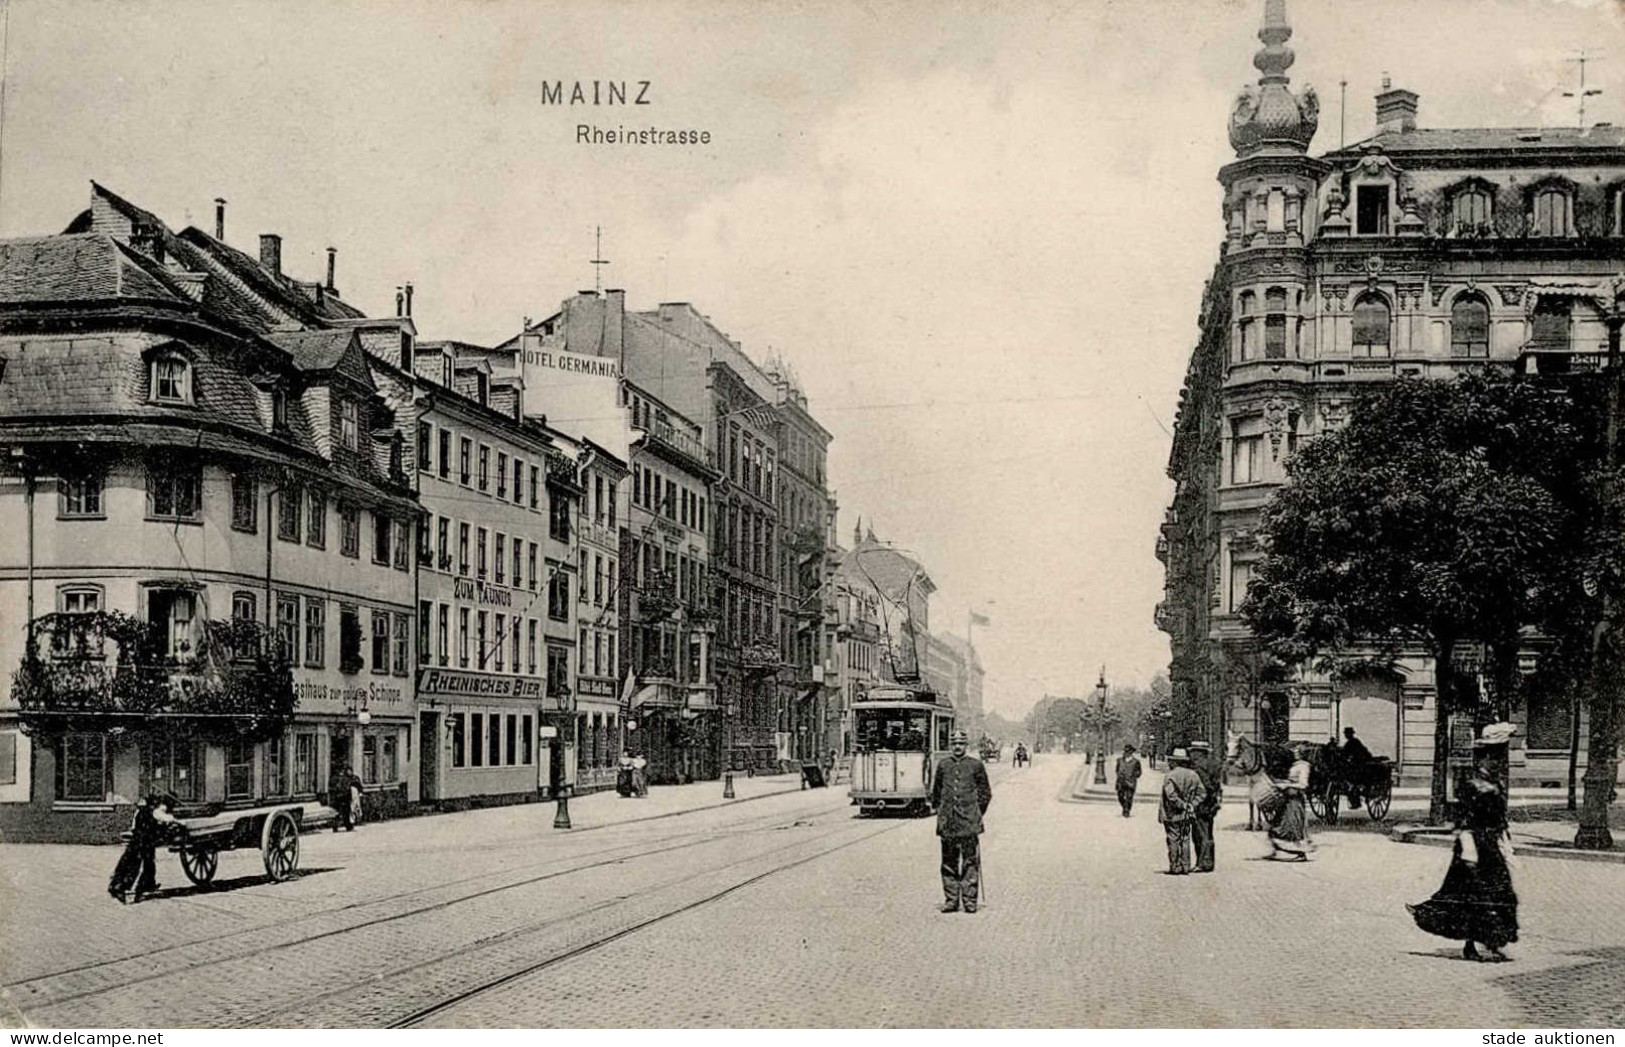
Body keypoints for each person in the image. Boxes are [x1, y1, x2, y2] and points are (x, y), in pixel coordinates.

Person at [1408, 723, 1520, 962]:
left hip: (1490, 844)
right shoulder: (1472, 782)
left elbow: (1498, 818)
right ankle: (1474, 944)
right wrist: (1467, 842)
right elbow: (1463, 817)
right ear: (1487, 756)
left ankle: (1491, 940)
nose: (1499, 761)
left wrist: (1505, 840)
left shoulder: (1493, 781)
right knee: (1473, 895)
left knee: (1499, 893)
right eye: (1496, 756)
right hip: (1473, 846)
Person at [929, 728, 992, 913]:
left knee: (970, 862)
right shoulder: (943, 765)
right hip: (948, 822)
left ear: (966, 745)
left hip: (968, 822)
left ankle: (970, 900)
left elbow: (985, 793)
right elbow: (936, 793)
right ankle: (951, 900)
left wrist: (976, 813)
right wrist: (941, 812)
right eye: (954, 744)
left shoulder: (976, 765)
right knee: (948, 862)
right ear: (950, 745)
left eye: (961, 744)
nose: (957, 747)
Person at [109, 793, 179, 902]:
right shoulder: (155, 811)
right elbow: (167, 818)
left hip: (137, 840)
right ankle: (125, 888)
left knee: (136, 861)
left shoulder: (140, 812)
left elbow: (134, 827)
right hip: (145, 842)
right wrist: (175, 821)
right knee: (136, 864)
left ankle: (145, 884)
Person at [1158, 749, 1205, 875]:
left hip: (1172, 814)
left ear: (1174, 762)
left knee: (1173, 839)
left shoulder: (1170, 776)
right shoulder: (1193, 775)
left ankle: (1175, 866)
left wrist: (1182, 805)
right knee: (1185, 839)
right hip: (1187, 814)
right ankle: (1186, 866)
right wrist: (1191, 805)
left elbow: (1171, 796)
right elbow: (1202, 793)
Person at [1265, 743, 1315, 861]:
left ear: (1303, 753)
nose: (1295, 753)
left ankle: (1299, 854)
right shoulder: (1296, 765)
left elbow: (1303, 784)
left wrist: (1286, 785)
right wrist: (1282, 782)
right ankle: (1280, 852)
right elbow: (1292, 780)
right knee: (1278, 825)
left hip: (1295, 801)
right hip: (1288, 800)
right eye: (1295, 751)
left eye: (1298, 751)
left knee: (1290, 828)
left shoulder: (1304, 766)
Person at [1188, 740, 1223, 872]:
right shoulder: (1214, 764)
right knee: (1208, 833)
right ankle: (1208, 862)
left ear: (1199, 752)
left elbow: (1205, 786)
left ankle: (1203, 863)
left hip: (1201, 804)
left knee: (1199, 834)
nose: (1191, 754)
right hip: (1211, 804)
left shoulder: (1198, 767)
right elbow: (1218, 786)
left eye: (1193, 751)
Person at [1340, 727, 1374, 809]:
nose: (1346, 735)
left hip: (1359, 765)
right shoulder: (1351, 743)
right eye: (1346, 734)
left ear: (1351, 734)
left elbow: (1347, 753)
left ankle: (1356, 802)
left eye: (1347, 733)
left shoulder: (1353, 742)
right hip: (1356, 764)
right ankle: (1355, 801)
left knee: (1354, 784)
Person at [1113, 743, 1142, 818]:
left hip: (1131, 782)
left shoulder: (1136, 761)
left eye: (1128, 751)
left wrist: (1134, 776)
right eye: (1125, 751)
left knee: (1129, 797)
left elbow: (1139, 772)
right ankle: (1124, 807)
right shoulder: (1119, 760)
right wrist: (1120, 776)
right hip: (1120, 782)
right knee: (1120, 797)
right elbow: (1117, 769)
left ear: (1131, 752)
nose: (1126, 753)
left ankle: (1127, 810)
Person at [328, 763, 354, 832]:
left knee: (338, 813)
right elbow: (347, 789)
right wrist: (350, 798)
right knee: (345, 813)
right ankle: (348, 826)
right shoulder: (346, 779)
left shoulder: (334, 778)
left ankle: (335, 826)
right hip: (344, 798)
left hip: (337, 797)